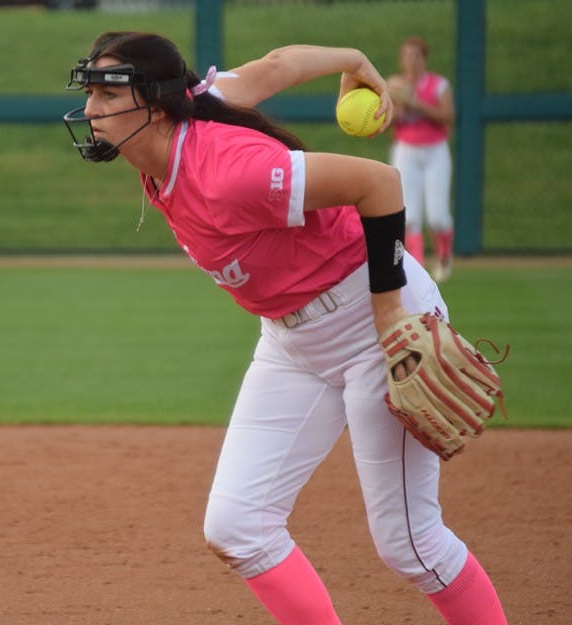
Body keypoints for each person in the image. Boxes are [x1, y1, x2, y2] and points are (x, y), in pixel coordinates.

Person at [62, 32, 507, 625]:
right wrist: (351, 59)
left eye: (105, 93)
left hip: (374, 319)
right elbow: (279, 65)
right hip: (291, 341)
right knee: (237, 526)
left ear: (156, 102)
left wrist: (388, 318)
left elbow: (379, 185)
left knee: (409, 542)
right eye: (89, 91)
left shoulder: (232, 171)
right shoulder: (196, 106)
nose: (90, 109)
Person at [387, 36, 456, 282]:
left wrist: (417, 103)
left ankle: (444, 254)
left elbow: (448, 116)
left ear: (424, 59)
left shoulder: (438, 85)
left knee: (437, 215)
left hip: (435, 150)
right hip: (406, 149)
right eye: (407, 55)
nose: (411, 60)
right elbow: (385, 122)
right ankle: (417, 268)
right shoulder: (394, 85)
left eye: (416, 55)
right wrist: (398, 110)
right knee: (410, 215)